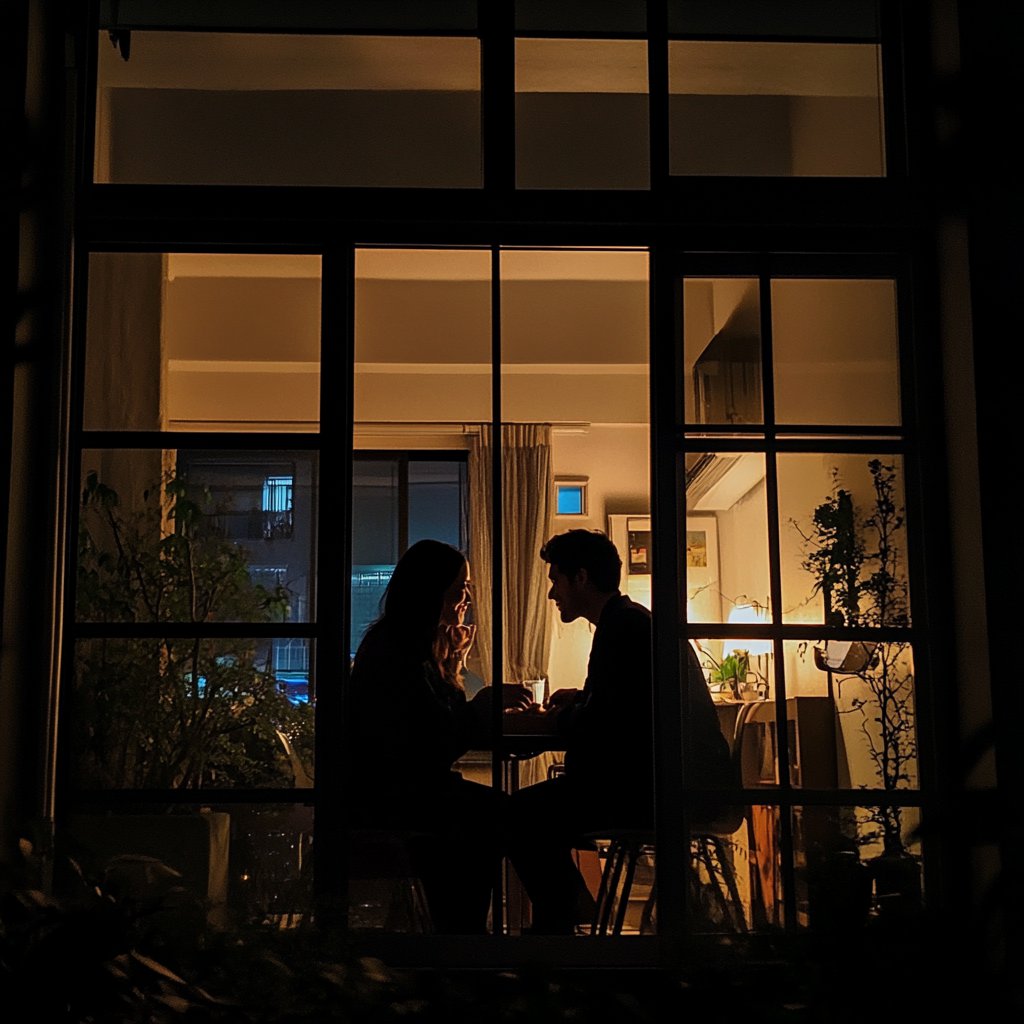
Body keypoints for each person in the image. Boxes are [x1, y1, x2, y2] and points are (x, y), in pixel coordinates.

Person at [507, 528, 732, 934]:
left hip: (651, 792)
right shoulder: (630, 622)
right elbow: (625, 707)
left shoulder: (623, 629)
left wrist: (550, 720)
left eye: (555, 579)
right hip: (670, 782)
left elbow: (607, 725)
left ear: (580, 578)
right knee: (529, 812)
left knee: (518, 814)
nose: (551, 594)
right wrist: (579, 699)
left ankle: (560, 921)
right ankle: (567, 911)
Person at [346, 538, 532, 933]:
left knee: (497, 813)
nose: (466, 597)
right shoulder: (398, 653)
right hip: (394, 798)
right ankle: (468, 933)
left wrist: (454, 662)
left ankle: (465, 932)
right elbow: (434, 741)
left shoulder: (404, 645)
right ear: (431, 592)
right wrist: (481, 706)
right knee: (498, 815)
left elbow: (439, 728)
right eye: (458, 588)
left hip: (402, 791)